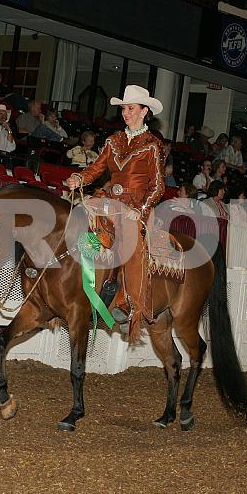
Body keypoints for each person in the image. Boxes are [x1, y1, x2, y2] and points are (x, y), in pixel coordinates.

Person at [66, 84, 165, 333]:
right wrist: (80, 177)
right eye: (123, 109)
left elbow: (158, 186)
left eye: (131, 108)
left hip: (136, 206)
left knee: (131, 242)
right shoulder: (114, 140)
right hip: (110, 200)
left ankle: (128, 303)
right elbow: (97, 169)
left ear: (144, 111)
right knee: (79, 219)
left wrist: (140, 210)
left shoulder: (152, 145)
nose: (126, 113)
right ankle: (79, 289)